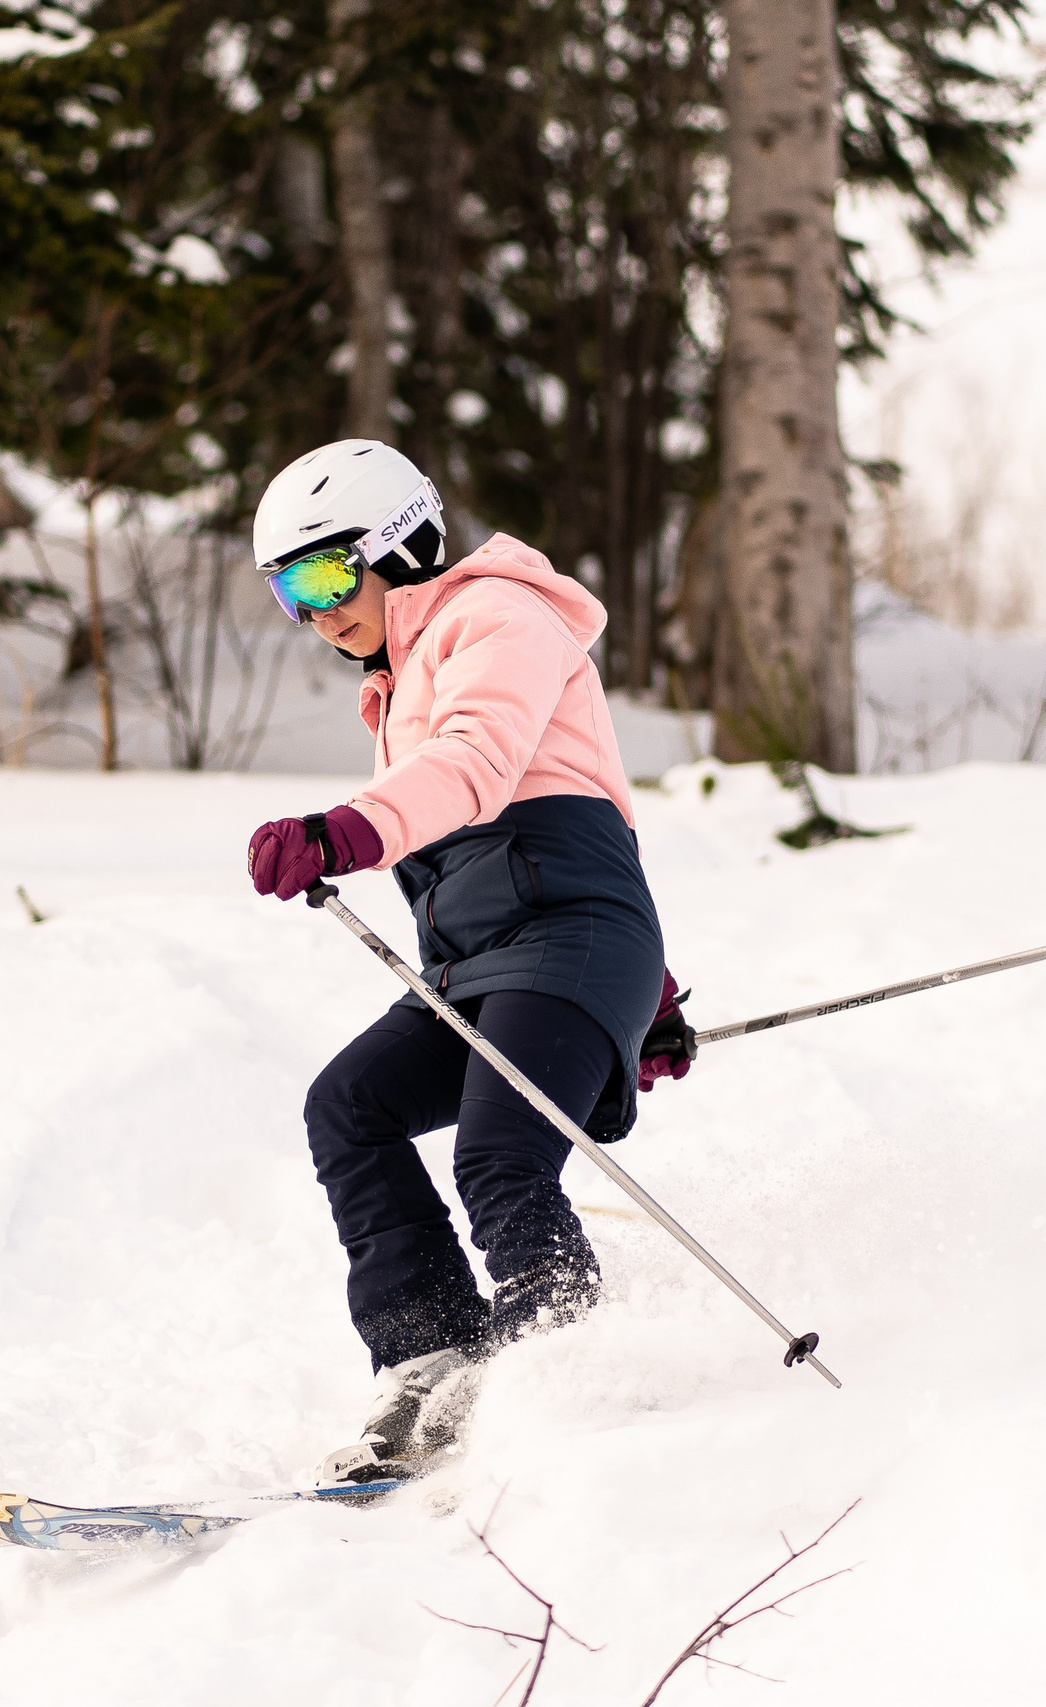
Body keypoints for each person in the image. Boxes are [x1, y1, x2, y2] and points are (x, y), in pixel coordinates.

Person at [243, 440, 695, 1486]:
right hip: (485, 966)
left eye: (325, 576)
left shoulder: (498, 616)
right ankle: (430, 1354)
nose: (315, 614)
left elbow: (482, 765)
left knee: (498, 1155)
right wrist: (645, 1002)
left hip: (573, 942)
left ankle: (560, 1362)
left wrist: (346, 830)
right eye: (288, 594)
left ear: (398, 544)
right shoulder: (398, 683)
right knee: (348, 1107)